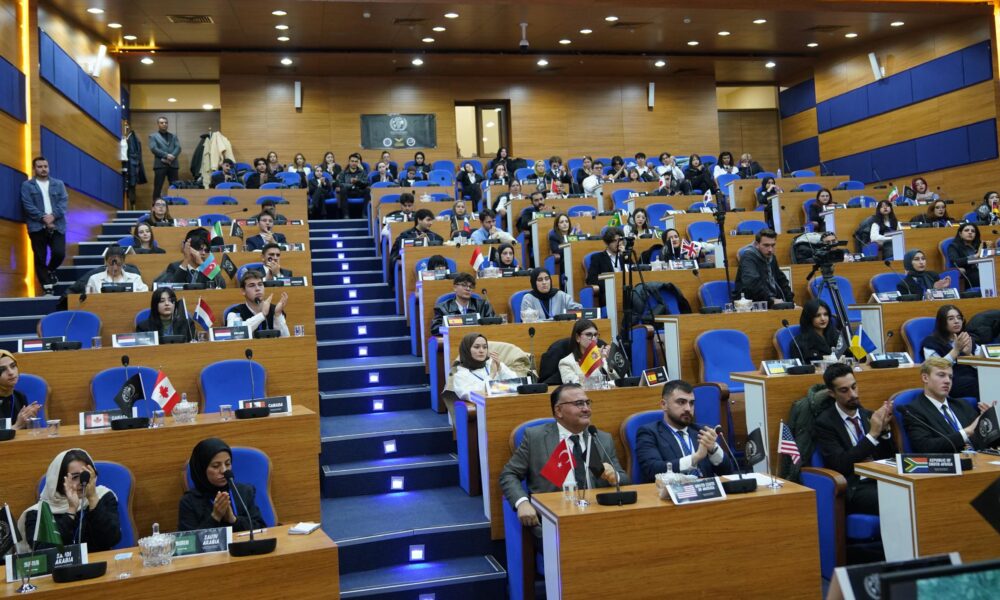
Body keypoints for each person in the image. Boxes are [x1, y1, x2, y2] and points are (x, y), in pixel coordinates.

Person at [499, 384, 627, 529]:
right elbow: (509, 474)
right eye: (579, 404)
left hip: (598, 516)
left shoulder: (600, 439)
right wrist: (522, 502)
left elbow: (624, 480)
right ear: (558, 410)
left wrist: (615, 477)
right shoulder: (536, 438)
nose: (586, 409)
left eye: (587, 402)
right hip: (552, 521)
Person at [813, 363, 895, 515]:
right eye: (844, 390)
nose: (853, 394)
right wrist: (872, 435)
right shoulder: (825, 423)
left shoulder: (868, 415)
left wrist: (884, 431)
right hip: (854, 486)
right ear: (832, 393)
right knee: (895, 500)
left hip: (880, 478)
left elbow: (889, 457)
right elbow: (840, 464)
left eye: (854, 387)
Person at [18, 449, 121, 552]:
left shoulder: (103, 496)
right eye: (75, 477)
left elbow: (111, 539)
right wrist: (71, 510)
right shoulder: (38, 513)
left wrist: (92, 498)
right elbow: (44, 552)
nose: (82, 482)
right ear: (58, 481)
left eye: (85, 475)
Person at [635, 379, 733, 482]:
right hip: (671, 490)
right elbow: (652, 470)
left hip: (705, 489)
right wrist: (695, 458)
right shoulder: (649, 433)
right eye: (681, 402)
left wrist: (713, 451)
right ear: (664, 405)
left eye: (691, 403)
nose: (688, 408)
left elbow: (728, 473)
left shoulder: (703, 431)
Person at [902, 357, 993, 452]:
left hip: (981, 457)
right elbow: (925, 446)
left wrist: (989, 422)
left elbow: (987, 440)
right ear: (925, 378)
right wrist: (966, 432)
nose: (947, 381)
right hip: (951, 460)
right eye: (941, 375)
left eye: (950, 377)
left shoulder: (962, 405)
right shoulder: (914, 411)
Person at [178, 438, 266, 533]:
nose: (224, 470)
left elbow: (261, 529)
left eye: (227, 464)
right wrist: (215, 517)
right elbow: (188, 540)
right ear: (201, 469)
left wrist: (233, 520)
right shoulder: (189, 502)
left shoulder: (243, 492)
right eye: (216, 466)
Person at [20, 156, 68, 294]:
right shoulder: (27, 185)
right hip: (37, 226)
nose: (43, 169)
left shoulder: (58, 184)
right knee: (40, 257)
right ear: (34, 169)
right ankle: (47, 286)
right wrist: (43, 218)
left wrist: (53, 216)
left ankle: (50, 270)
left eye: (45, 166)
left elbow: (63, 203)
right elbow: (27, 205)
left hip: (57, 224)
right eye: (40, 167)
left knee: (59, 253)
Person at [920, 304, 980, 400]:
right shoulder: (931, 342)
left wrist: (969, 355)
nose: (956, 321)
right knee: (981, 384)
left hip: (973, 377)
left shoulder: (967, 338)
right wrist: (956, 350)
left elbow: (982, 365)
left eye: (959, 318)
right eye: (951, 318)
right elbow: (935, 368)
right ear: (942, 322)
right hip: (951, 382)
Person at [451, 333, 518, 401]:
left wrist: (500, 369)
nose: (481, 351)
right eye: (476, 347)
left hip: (507, 402)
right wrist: (491, 375)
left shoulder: (492, 363)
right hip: (486, 406)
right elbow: (474, 395)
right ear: (467, 350)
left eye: (485, 347)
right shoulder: (460, 375)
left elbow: (516, 384)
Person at [735, 228, 794, 305]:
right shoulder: (748, 257)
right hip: (752, 303)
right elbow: (752, 285)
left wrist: (790, 302)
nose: (770, 250)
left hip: (772, 301)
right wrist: (771, 301)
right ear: (757, 244)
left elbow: (782, 280)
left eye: (773, 245)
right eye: (766, 245)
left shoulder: (771, 257)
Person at [226, 269, 290, 337]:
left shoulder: (274, 310)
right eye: (252, 285)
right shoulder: (235, 313)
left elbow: (286, 338)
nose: (257, 288)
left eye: (260, 284)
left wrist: (278, 315)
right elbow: (234, 334)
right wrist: (262, 315)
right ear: (243, 291)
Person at [155, 229, 226, 288]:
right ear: (189, 249)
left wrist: (202, 264)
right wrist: (186, 260)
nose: (203, 253)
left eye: (206, 250)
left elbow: (222, 286)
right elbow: (169, 289)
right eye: (200, 249)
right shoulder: (175, 267)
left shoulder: (209, 267)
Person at [558, 318, 620, 385]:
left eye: (595, 335)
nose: (593, 338)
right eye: (588, 334)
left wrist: (611, 363)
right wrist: (597, 365)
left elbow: (621, 381)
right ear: (577, 338)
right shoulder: (566, 363)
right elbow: (576, 388)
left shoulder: (603, 354)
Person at [430, 273, 496, 335]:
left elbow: (494, 324)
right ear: (455, 288)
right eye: (464, 285)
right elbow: (435, 329)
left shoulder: (483, 305)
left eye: (471, 286)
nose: (468, 289)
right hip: (454, 339)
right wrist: (453, 330)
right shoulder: (443, 308)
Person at [0, 350, 42, 430]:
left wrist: (29, 420)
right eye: (2, 369)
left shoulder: (19, 396)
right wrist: (17, 426)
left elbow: (25, 432)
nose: (11, 372)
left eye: (13, 366)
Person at [585, 227, 623, 302]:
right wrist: (612, 283)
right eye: (614, 241)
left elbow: (634, 274)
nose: (618, 243)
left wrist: (625, 257)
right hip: (609, 295)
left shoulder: (625, 256)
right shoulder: (597, 258)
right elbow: (591, 280)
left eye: (620, 240)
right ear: (607, 243)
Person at [149, 116, 180, 201]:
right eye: (162, 123)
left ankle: (176, 205)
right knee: (158, 187)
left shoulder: (173, 136)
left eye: (166, 123)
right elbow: (153, 148)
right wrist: (166, 155)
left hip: (173, 164)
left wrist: (172, 156)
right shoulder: (153, 136)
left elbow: (178, 148)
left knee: (175, 187)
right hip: (160, 165)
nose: (164, 124)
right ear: (158, 124)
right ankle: (155, 205)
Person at [947, 223, 987, 288]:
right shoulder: (953, 246)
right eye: (966, 230)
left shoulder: (979, 245)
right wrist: (975, 256)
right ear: (960, 234)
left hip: (984, 270)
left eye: (973, 231)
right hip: (969, 273)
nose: (970, 232)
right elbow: (955, 262)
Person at [336, 152, 370, 218]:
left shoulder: (362, 172)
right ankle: (346, 215)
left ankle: (364, 214)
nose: (354, 163)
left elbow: (366, 183)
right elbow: (340, 183)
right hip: (348, 192)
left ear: (358, 163)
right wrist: (351, 185)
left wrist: (357, 182)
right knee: (342, 190)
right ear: (349, 162)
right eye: (352, 161)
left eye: (356, 161)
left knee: (367, 190)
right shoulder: (343, 172)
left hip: (359, 191)